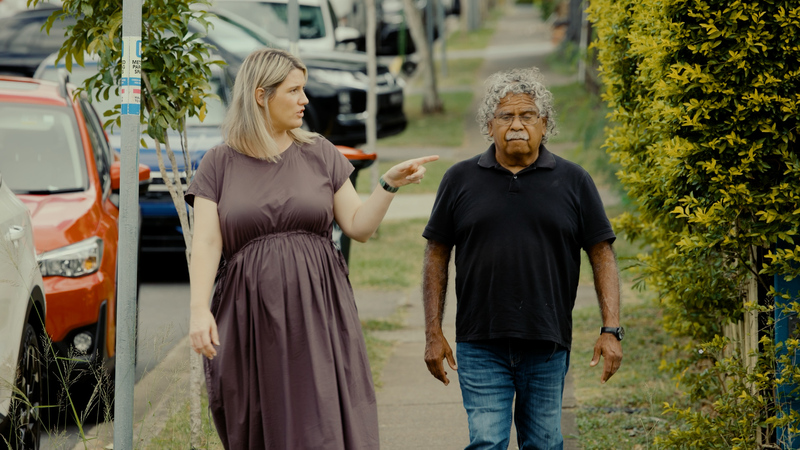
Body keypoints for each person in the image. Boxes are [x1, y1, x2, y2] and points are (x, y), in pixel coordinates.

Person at [185, 48, 437, 449]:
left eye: (304, 89)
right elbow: (207, 242)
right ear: (260, 95)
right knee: (258, 419)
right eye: (295, 90)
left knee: (322, 421)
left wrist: (387, 184)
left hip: (318, 311)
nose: (305, 100)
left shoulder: (319, 152)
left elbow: (358, 226)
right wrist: (199, 311)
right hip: (251, 316)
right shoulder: (219, 162)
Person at [421, 67, 623, 449]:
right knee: (486, 443)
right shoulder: (459, 179)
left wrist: (610, 329)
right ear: (489, 125)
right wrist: (433, 333)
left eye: (527, 115)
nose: (516, 125)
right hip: (480, 342)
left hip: (546, 343)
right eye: (505, 116)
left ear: (544, 124)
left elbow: (603, 254)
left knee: (544, 444)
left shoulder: (574, 181)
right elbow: (436, 254)